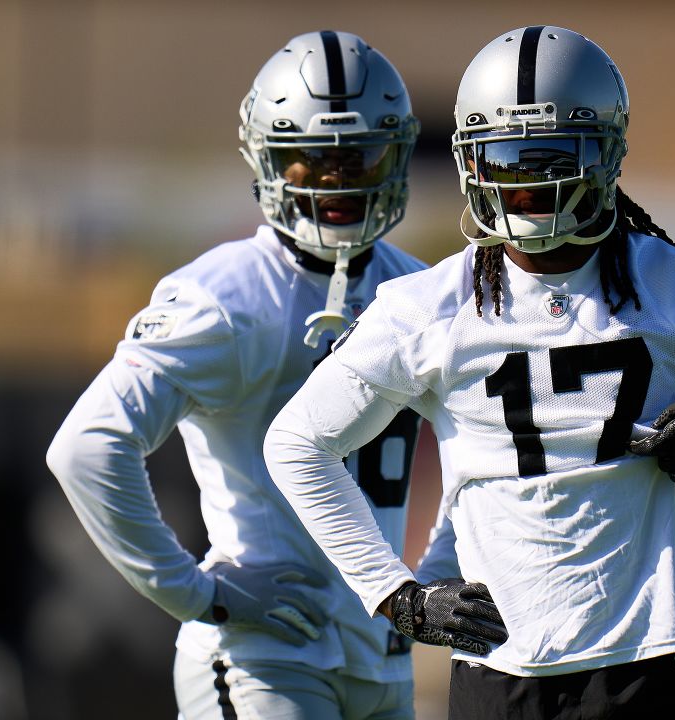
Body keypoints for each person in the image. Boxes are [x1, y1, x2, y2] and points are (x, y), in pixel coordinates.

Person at [264, 25, 675, 719]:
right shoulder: (427, 307)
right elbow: (297, 444)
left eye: (553, 155)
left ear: (609, 153)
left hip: (649, 666)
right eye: (507, 157)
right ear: (473, 162)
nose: (533, 182)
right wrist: (394, 594)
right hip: (502, 671)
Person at [46, 31, 461, 720]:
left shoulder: (422, 291)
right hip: (267, 658)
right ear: (268, 160)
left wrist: (431, 578)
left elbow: (483, 451)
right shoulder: (226, 296)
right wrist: (196, 592)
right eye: (313, 161)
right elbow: (88, 447)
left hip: (381, 657)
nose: (339, 182)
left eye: (359, 157)